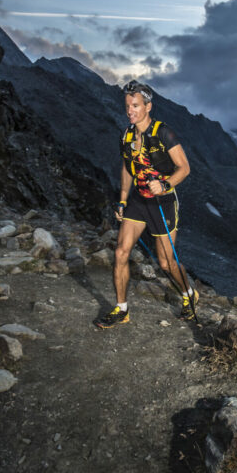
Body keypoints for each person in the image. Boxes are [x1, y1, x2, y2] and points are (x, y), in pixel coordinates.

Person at [94, 80, 197, 328]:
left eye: (136, 105)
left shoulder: (164, 132)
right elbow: (128, 169)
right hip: (138, 201)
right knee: (120, 252)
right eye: (128, 105)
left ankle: (188, 294)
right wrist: (122, 199)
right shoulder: (127, 135)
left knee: (165, 263)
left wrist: (164, 185)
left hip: (162, 202)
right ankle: (121, 309)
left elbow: (185, 168)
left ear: (148, 106)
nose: (130, 110)